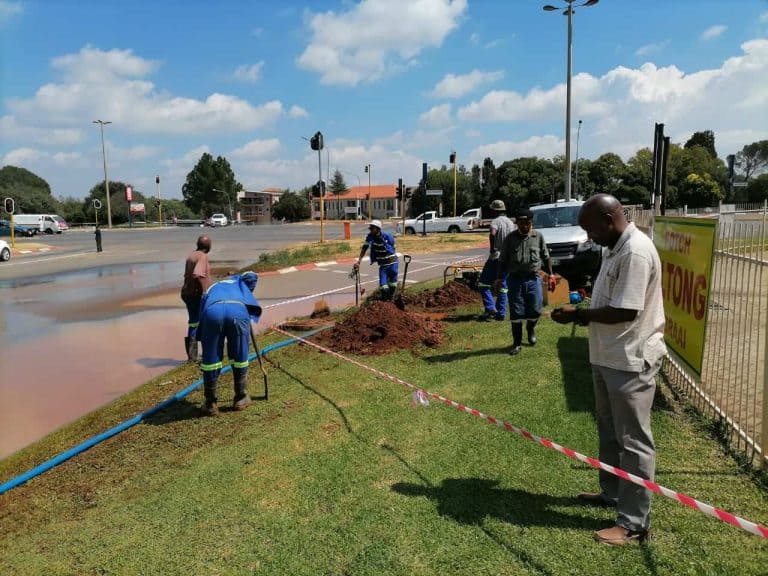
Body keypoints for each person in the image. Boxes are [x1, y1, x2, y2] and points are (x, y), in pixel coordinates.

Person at [551, 194, 666, 546]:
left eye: (590, 229)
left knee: (633, 441)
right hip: (609, 357)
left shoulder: (634, 250)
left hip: (630, 360)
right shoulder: (616, 248)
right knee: (610, 432)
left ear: (607, 218)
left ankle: (633, 523)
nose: (588, 236)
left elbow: (626, 311)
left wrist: (580, 315)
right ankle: (613, 494)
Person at [198, 272, 263, 416]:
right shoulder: (243, 287)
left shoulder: (214, 286)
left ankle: (210, 403)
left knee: (211, 359)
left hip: (212, 312)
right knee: (240, 354)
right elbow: (252, 308)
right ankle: (240, 397)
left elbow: (201, 310)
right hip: (237, 312)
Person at [496, 207, 557, 355]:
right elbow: (503, 261)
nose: (525, 226)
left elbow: (546, 256)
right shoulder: (509, 239)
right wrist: (499, 278)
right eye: (522, 223)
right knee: (516, 313)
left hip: (533, 279)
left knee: (535, 310)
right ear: (517, 223)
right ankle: (516, 344)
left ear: (531, 223)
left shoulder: (538, 237)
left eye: (528, 223)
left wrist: (551, 275)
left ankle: (530, 329)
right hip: (515, 280)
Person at [478, 199, 515, 321]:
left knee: (483, 283)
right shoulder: (510, 223)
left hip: (496, 257)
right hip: (508, 258)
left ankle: (490, 308)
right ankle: (501, 313)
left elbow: (492, 233)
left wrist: (492, 248)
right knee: (503, 286)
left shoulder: (495, 221)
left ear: (495, 210)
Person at [180, 235, 212, 362]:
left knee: (193, 322)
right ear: (208, 246)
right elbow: (197, 275)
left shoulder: (191, 255)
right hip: (196, 295)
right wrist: (204, 292)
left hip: (187, 294)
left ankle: (192, 356)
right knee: (205, 323)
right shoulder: (202, 257)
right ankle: (206, 353)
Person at [353, 220, 398, 301]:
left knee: (393, 284)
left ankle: (391, 301)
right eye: (370, 228)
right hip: (383, 265)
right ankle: (386, 302)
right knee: (383, 286)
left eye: (372, 228)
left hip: (393, 263)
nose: (370, 229)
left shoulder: (387, 236)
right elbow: (364, 248)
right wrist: (359, 261)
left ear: (378, 229)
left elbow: (393, 246)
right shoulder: (370, 237)